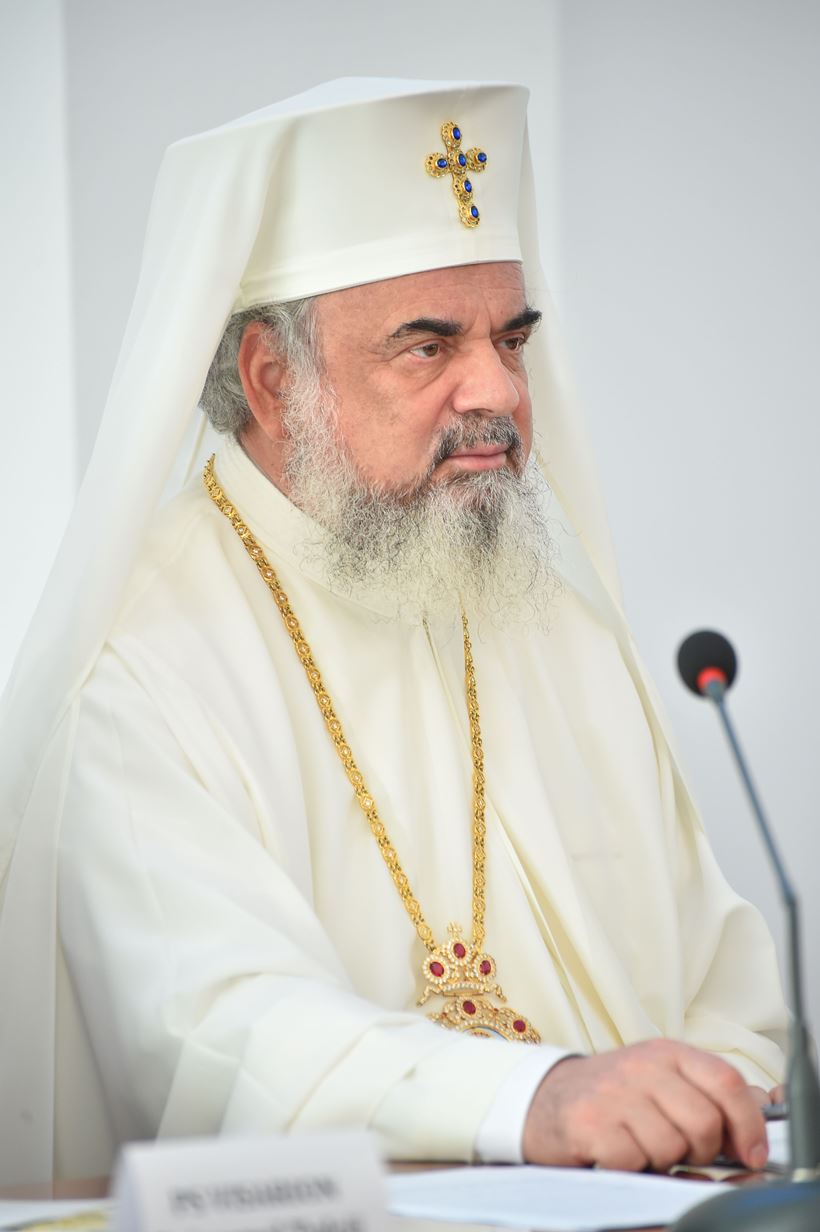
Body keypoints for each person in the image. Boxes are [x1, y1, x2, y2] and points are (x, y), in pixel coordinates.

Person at [0, 79, 787, 1186]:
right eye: (427, 348)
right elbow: (217, 1027)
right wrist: (533, 1097)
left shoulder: (551, 621)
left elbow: (727, 994)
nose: (497, 392)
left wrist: (709, 1104)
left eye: (510, 339)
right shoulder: (138, 662)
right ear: (273, 380)